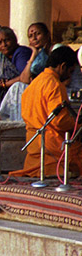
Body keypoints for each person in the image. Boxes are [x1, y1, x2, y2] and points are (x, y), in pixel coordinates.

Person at [10, 46, 82, 178]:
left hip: (34, 145)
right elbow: (59, 121)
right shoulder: (54, 84)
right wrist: (78, 125)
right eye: (70, 71)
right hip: (52, 146)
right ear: (63, 66)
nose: (70, 77)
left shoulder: (34, 83)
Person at [0, 26, 32, 120]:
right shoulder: (2, 57)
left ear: (15, 39)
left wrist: (4, 84)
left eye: (7, 40)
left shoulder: (21, 53)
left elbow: (24, 78)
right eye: (0, 43)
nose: (4, 45)